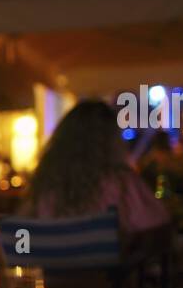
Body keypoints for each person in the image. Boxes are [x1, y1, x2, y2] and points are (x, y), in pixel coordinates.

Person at [25, 99, 170, 240]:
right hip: (107, 263)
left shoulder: (45, 186)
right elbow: (158, 221)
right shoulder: (121, 183)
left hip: (54, 262)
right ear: (111, 140)